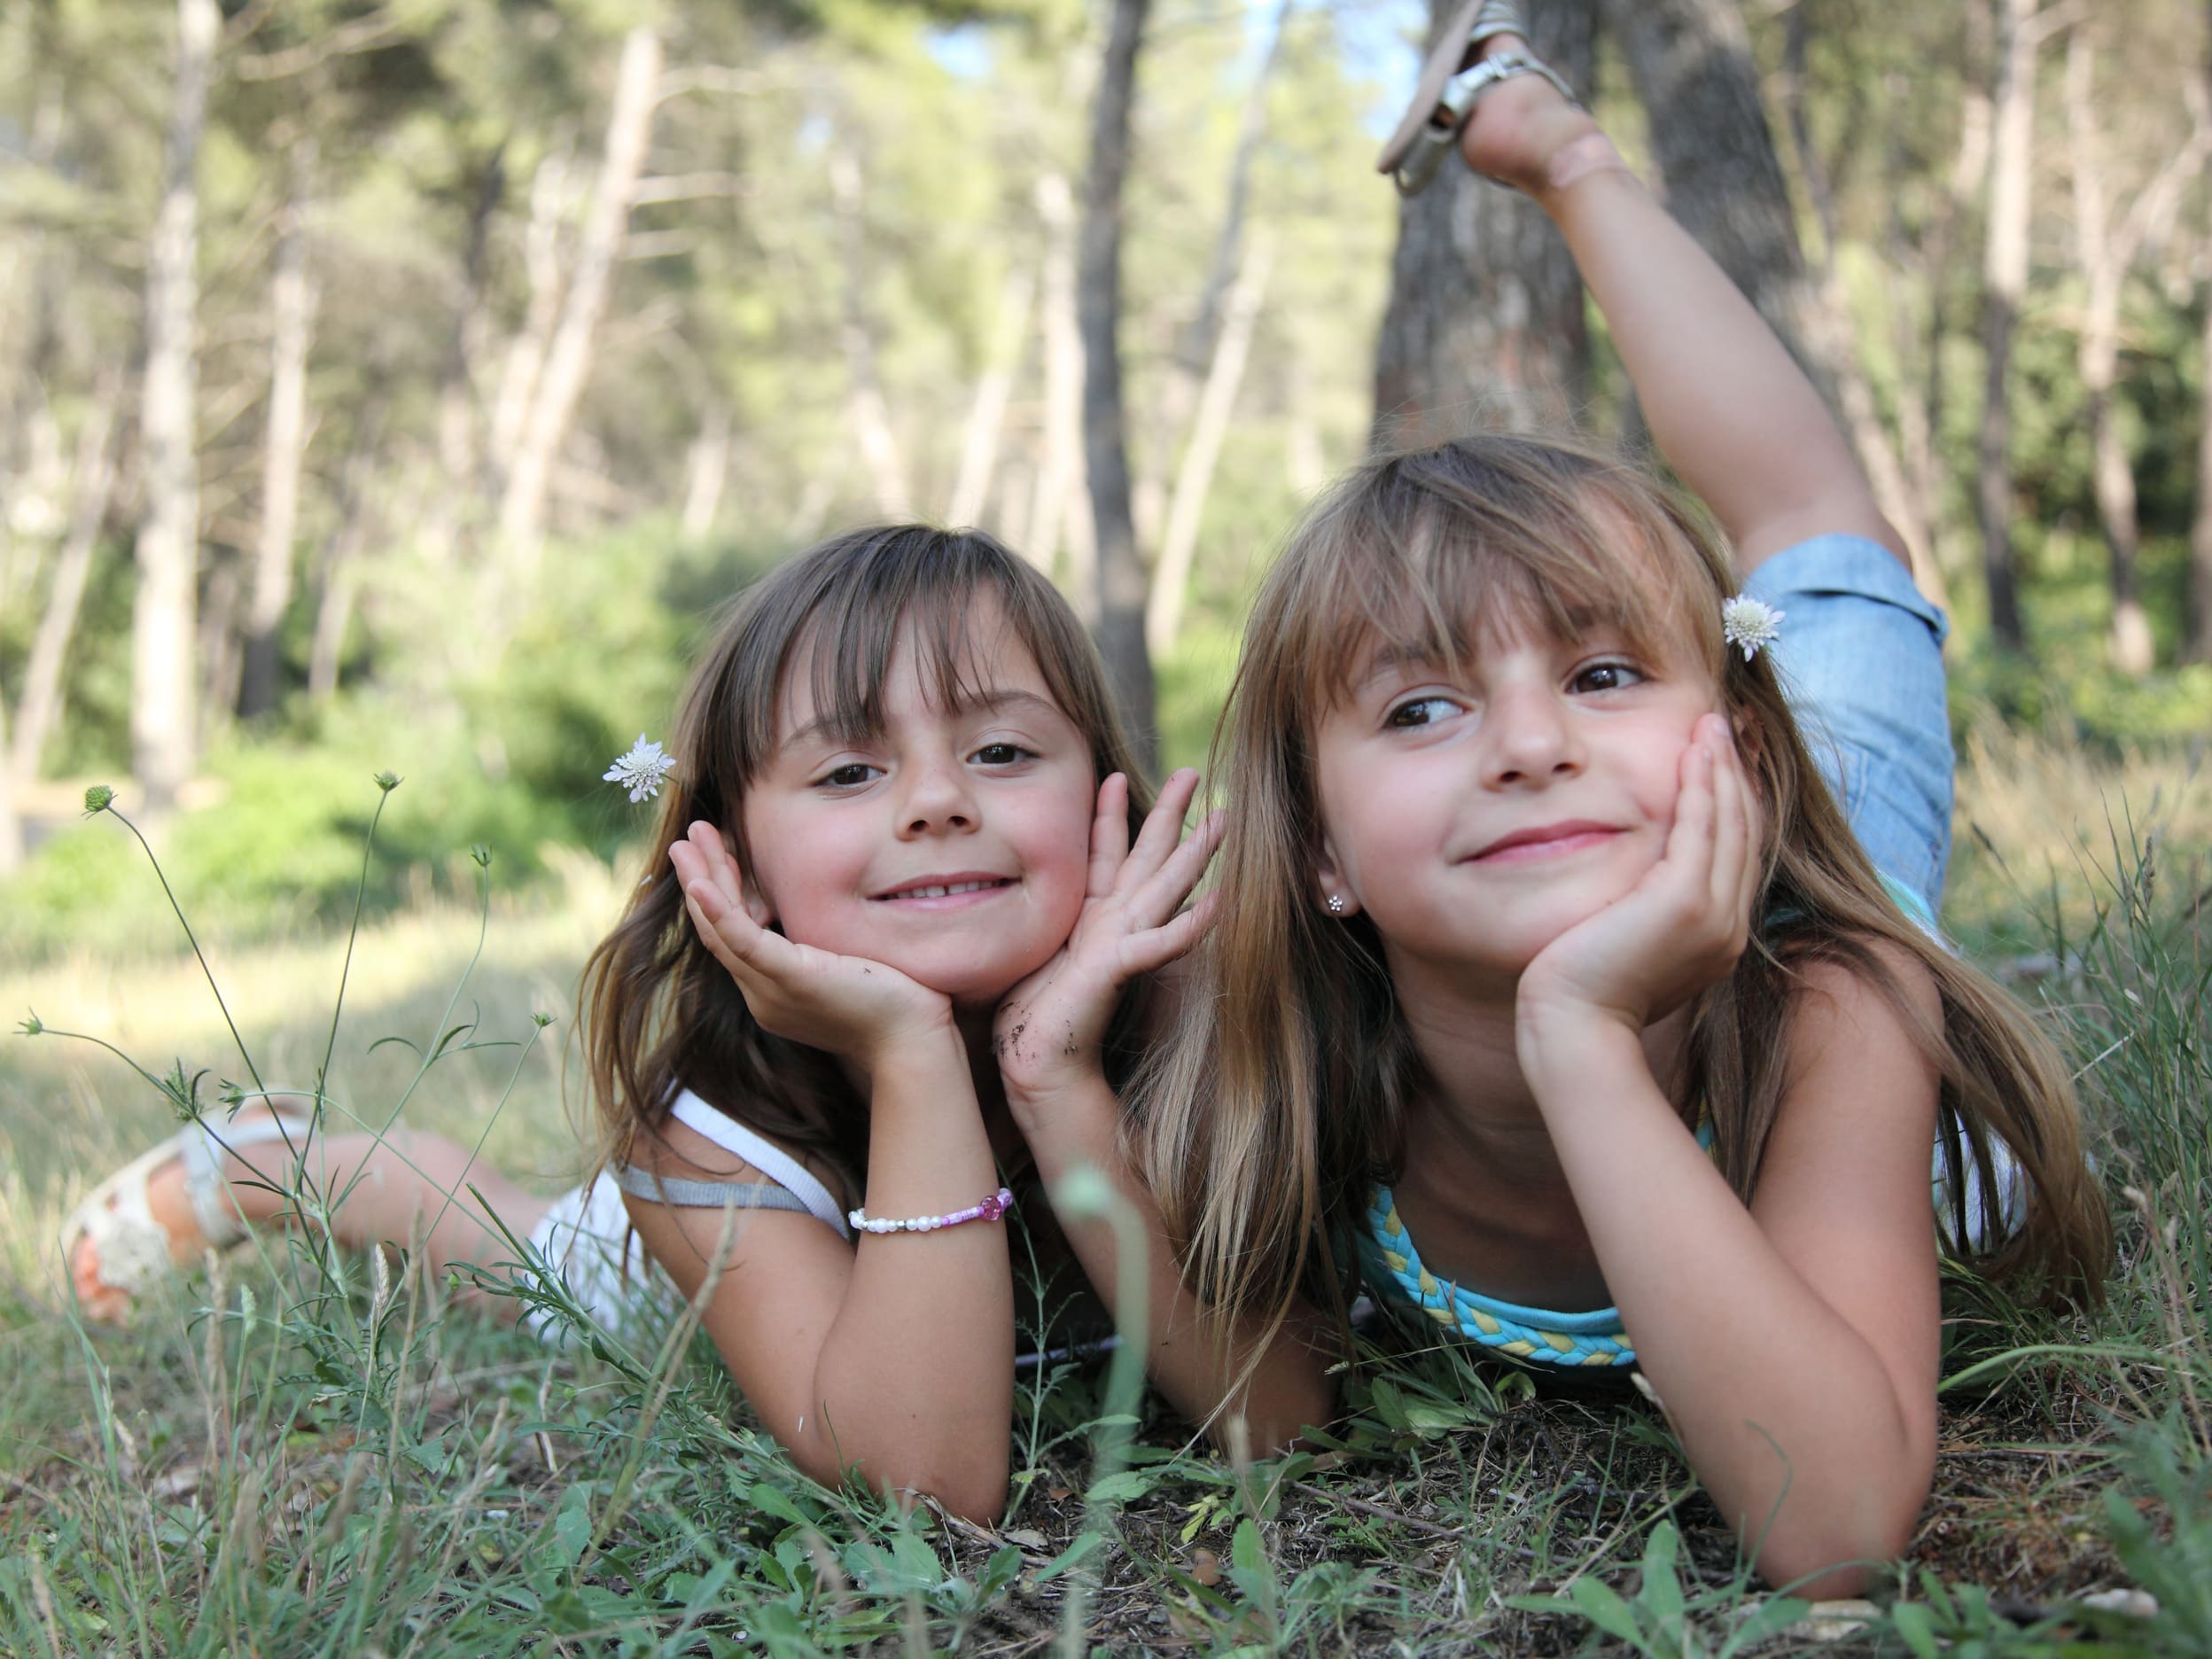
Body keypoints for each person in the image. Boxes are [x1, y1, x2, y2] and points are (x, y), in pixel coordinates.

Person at [1139, 1, 2110, 1595]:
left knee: (1814, 526)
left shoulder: (1836, 1005)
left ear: (1737, 738)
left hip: (1781, 841)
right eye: (1425, 707)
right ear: (1316, 851)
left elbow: (1838, 1524)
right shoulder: (1286, 1063)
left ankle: (1559, 144)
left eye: (1594, 678)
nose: (1529, 745)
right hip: (1685, 790)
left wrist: (1581, 1037)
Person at [65, 526, 1285, 1523]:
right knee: (521, 1254)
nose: (935, 802)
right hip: (694, 1257)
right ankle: (273, 1166)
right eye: (849, 773)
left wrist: (1052, 1074)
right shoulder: (704, 1134)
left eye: (1005, 749)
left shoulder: (1195, 1010)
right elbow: (930, 1481)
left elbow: (1273, 1418)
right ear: (734, 861)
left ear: (1106, 790)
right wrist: (912, 1053)